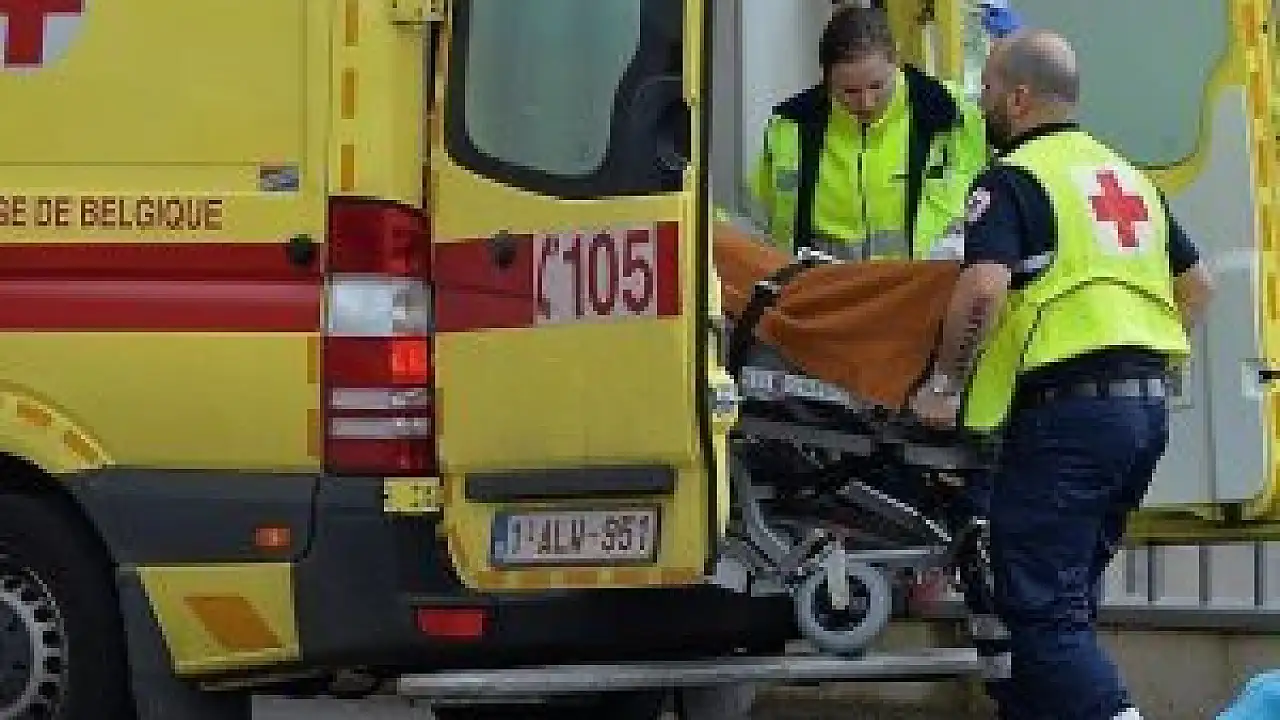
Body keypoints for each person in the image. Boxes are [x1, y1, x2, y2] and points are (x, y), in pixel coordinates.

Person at [908, 28, 1215, 720]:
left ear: (1018, 98)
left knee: (1038, 614)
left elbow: (983, 287)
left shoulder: (1014, 179)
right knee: (1066, 607)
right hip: (1140, 415)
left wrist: (945, 384)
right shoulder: (1128, 179)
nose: (982, 103)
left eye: (988, 89)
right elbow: (1198, 288)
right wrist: (1138, 356)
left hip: (1065, 417)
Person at [747, 3, 989, 261]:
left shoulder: (953, 114)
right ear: (826, 79)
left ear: (896, 61)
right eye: (849, 91)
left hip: (925, 283)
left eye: (877, 86)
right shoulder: (791, 125)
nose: (866, 103)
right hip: (822, 284)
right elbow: (756, 222)